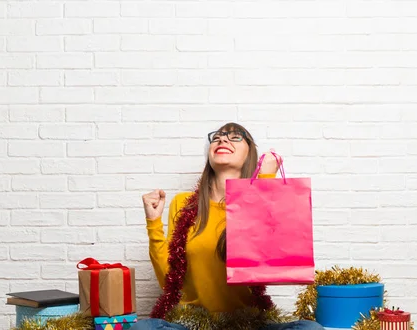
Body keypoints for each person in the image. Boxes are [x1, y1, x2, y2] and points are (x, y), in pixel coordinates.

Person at [134, 123, 324, 330]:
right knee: (143, 328)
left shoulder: (256, 202)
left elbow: (267, 257)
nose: (222, 140)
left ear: (250, 154)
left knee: (309, 328)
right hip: (194, 324)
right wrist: (153, 223)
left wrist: (265, 182)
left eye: (235, 137)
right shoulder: (183, 203)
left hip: (247, 323)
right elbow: (168, 280)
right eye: (217, 137)